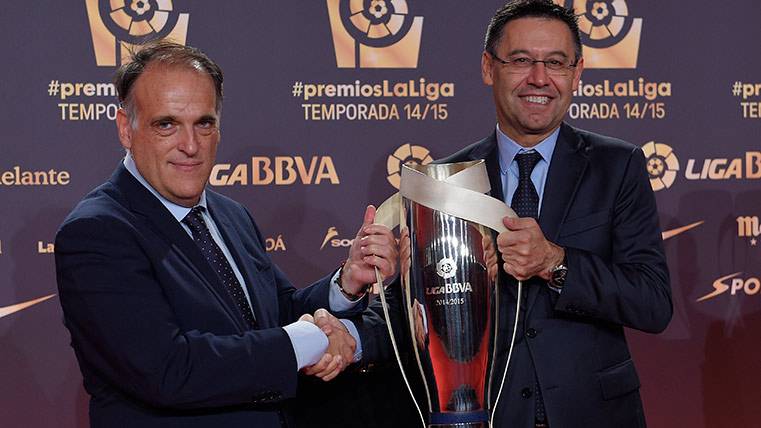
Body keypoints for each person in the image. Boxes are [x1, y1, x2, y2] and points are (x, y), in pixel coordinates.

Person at [357, 1, 672, 427]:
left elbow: (652, 302)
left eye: (555, 63)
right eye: (521, 60)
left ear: (577, 72)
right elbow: (408, 312)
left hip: (593, 413)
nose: (539, 78)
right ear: (489, 68)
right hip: (487, 413)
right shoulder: (447, 182)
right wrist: (363, 313)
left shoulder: (618, 166)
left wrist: (556, 263)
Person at [54, 40, 398, 428]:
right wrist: (312, 341)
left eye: (204, 123)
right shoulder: (97, 232)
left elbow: (276, 314)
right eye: (166, 124)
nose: (190, 145)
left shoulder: (230, 214)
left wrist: (346, 284)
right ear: (125, 128)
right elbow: (169, 369)